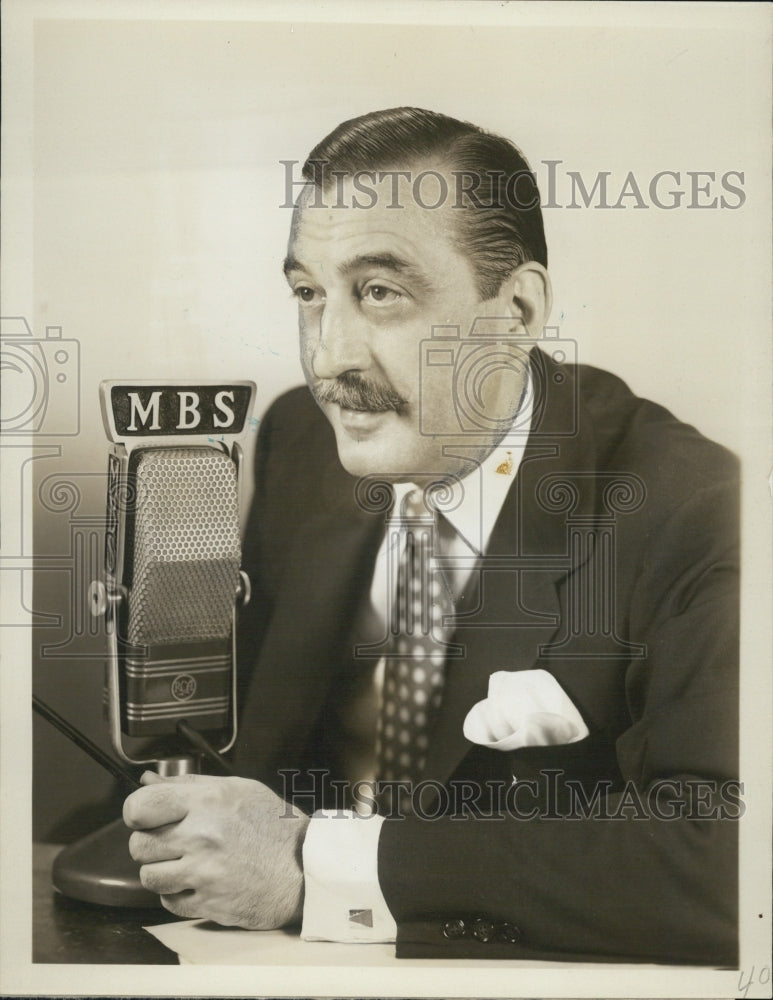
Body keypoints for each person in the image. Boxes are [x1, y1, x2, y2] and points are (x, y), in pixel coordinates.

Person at [123, 107, 739, 964]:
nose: (328, 359)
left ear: (516, 310)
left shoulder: (700, 511)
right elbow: (247, 757)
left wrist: (315, 863)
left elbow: (730, 862)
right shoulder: (302, 440)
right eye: (308, 294)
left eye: (380, 292)